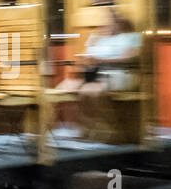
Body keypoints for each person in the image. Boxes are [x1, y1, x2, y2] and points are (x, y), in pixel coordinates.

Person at [56, 8, 141, 136]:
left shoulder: (129, 37)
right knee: (63, 87)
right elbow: (85, 58)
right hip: (94, 74)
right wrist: (85, 61)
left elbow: (130, 58)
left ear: (117, 21)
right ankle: (85, 128)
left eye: (109, 21)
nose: (106, 25)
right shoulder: (96, 38)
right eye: (103, 22)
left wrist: (99, 60)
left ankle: (104, 128)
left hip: (119, 74)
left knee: (89, 91)